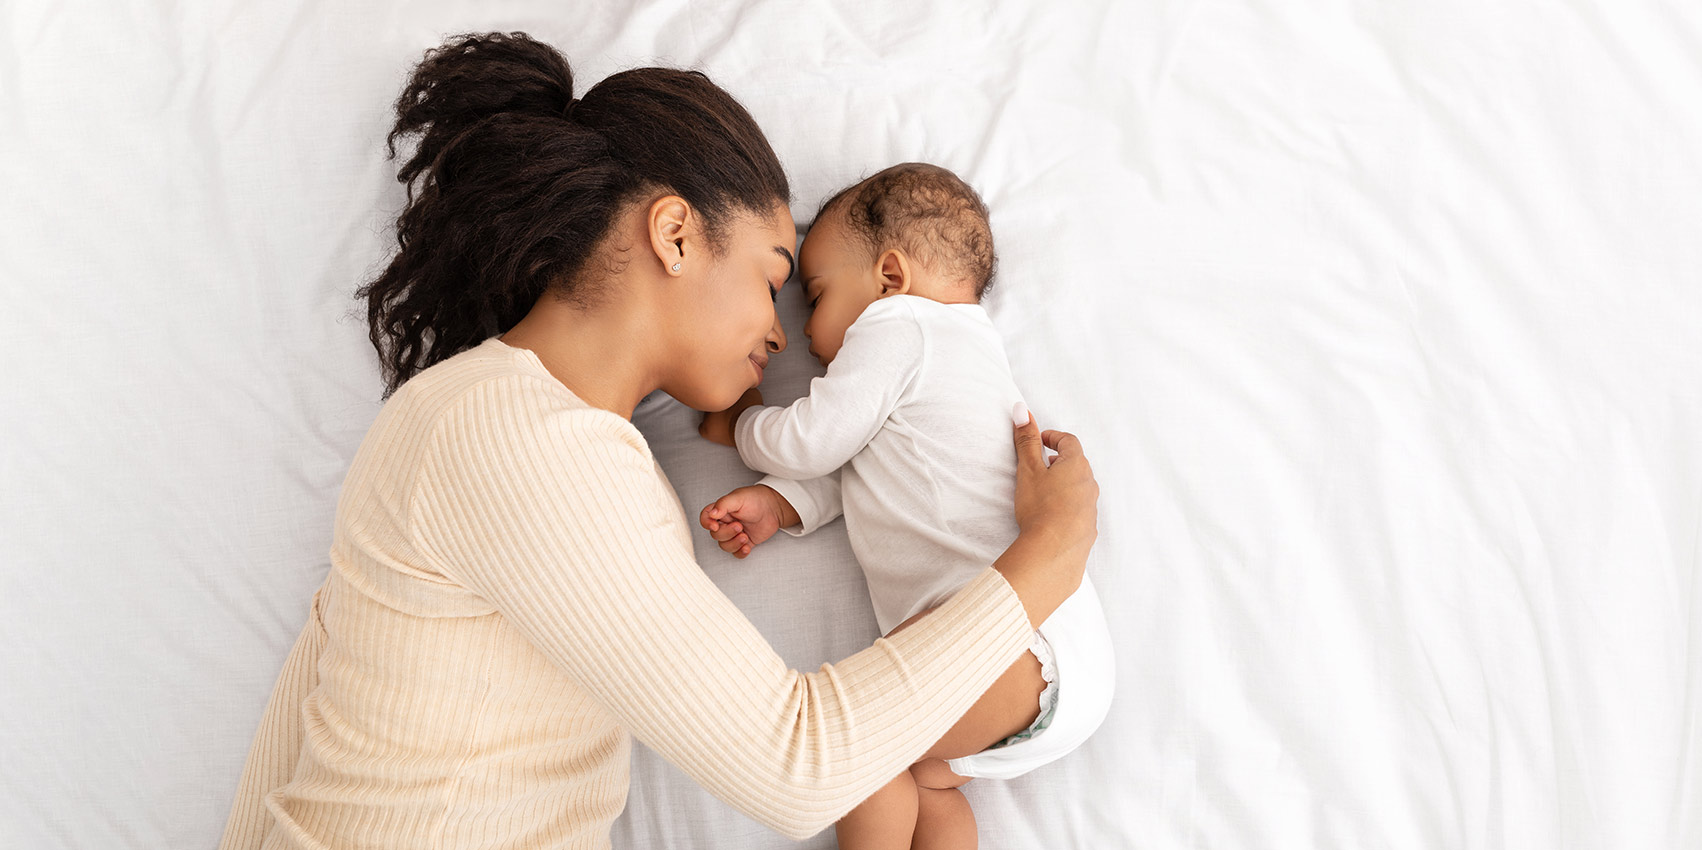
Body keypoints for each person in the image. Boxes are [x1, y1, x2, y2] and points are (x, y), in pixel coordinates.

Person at [217, 32, 1098, 849]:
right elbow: (797, 765)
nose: (782, 333)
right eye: (771, 277)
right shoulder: (518, 440)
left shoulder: (486, 422)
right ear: (676, 234)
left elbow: (301, 727)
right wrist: (1051, 554)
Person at [697, 163, 1114, 850]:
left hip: (1015, 646)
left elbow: (812, 440)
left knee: (860, 749)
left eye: (819, 295)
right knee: (921, 781)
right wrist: (782, 505)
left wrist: (744, 422)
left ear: (889, 277)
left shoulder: (899, 328)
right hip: (1061, 660)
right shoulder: (965, 357)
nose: (804, 333)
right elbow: (870, 471)